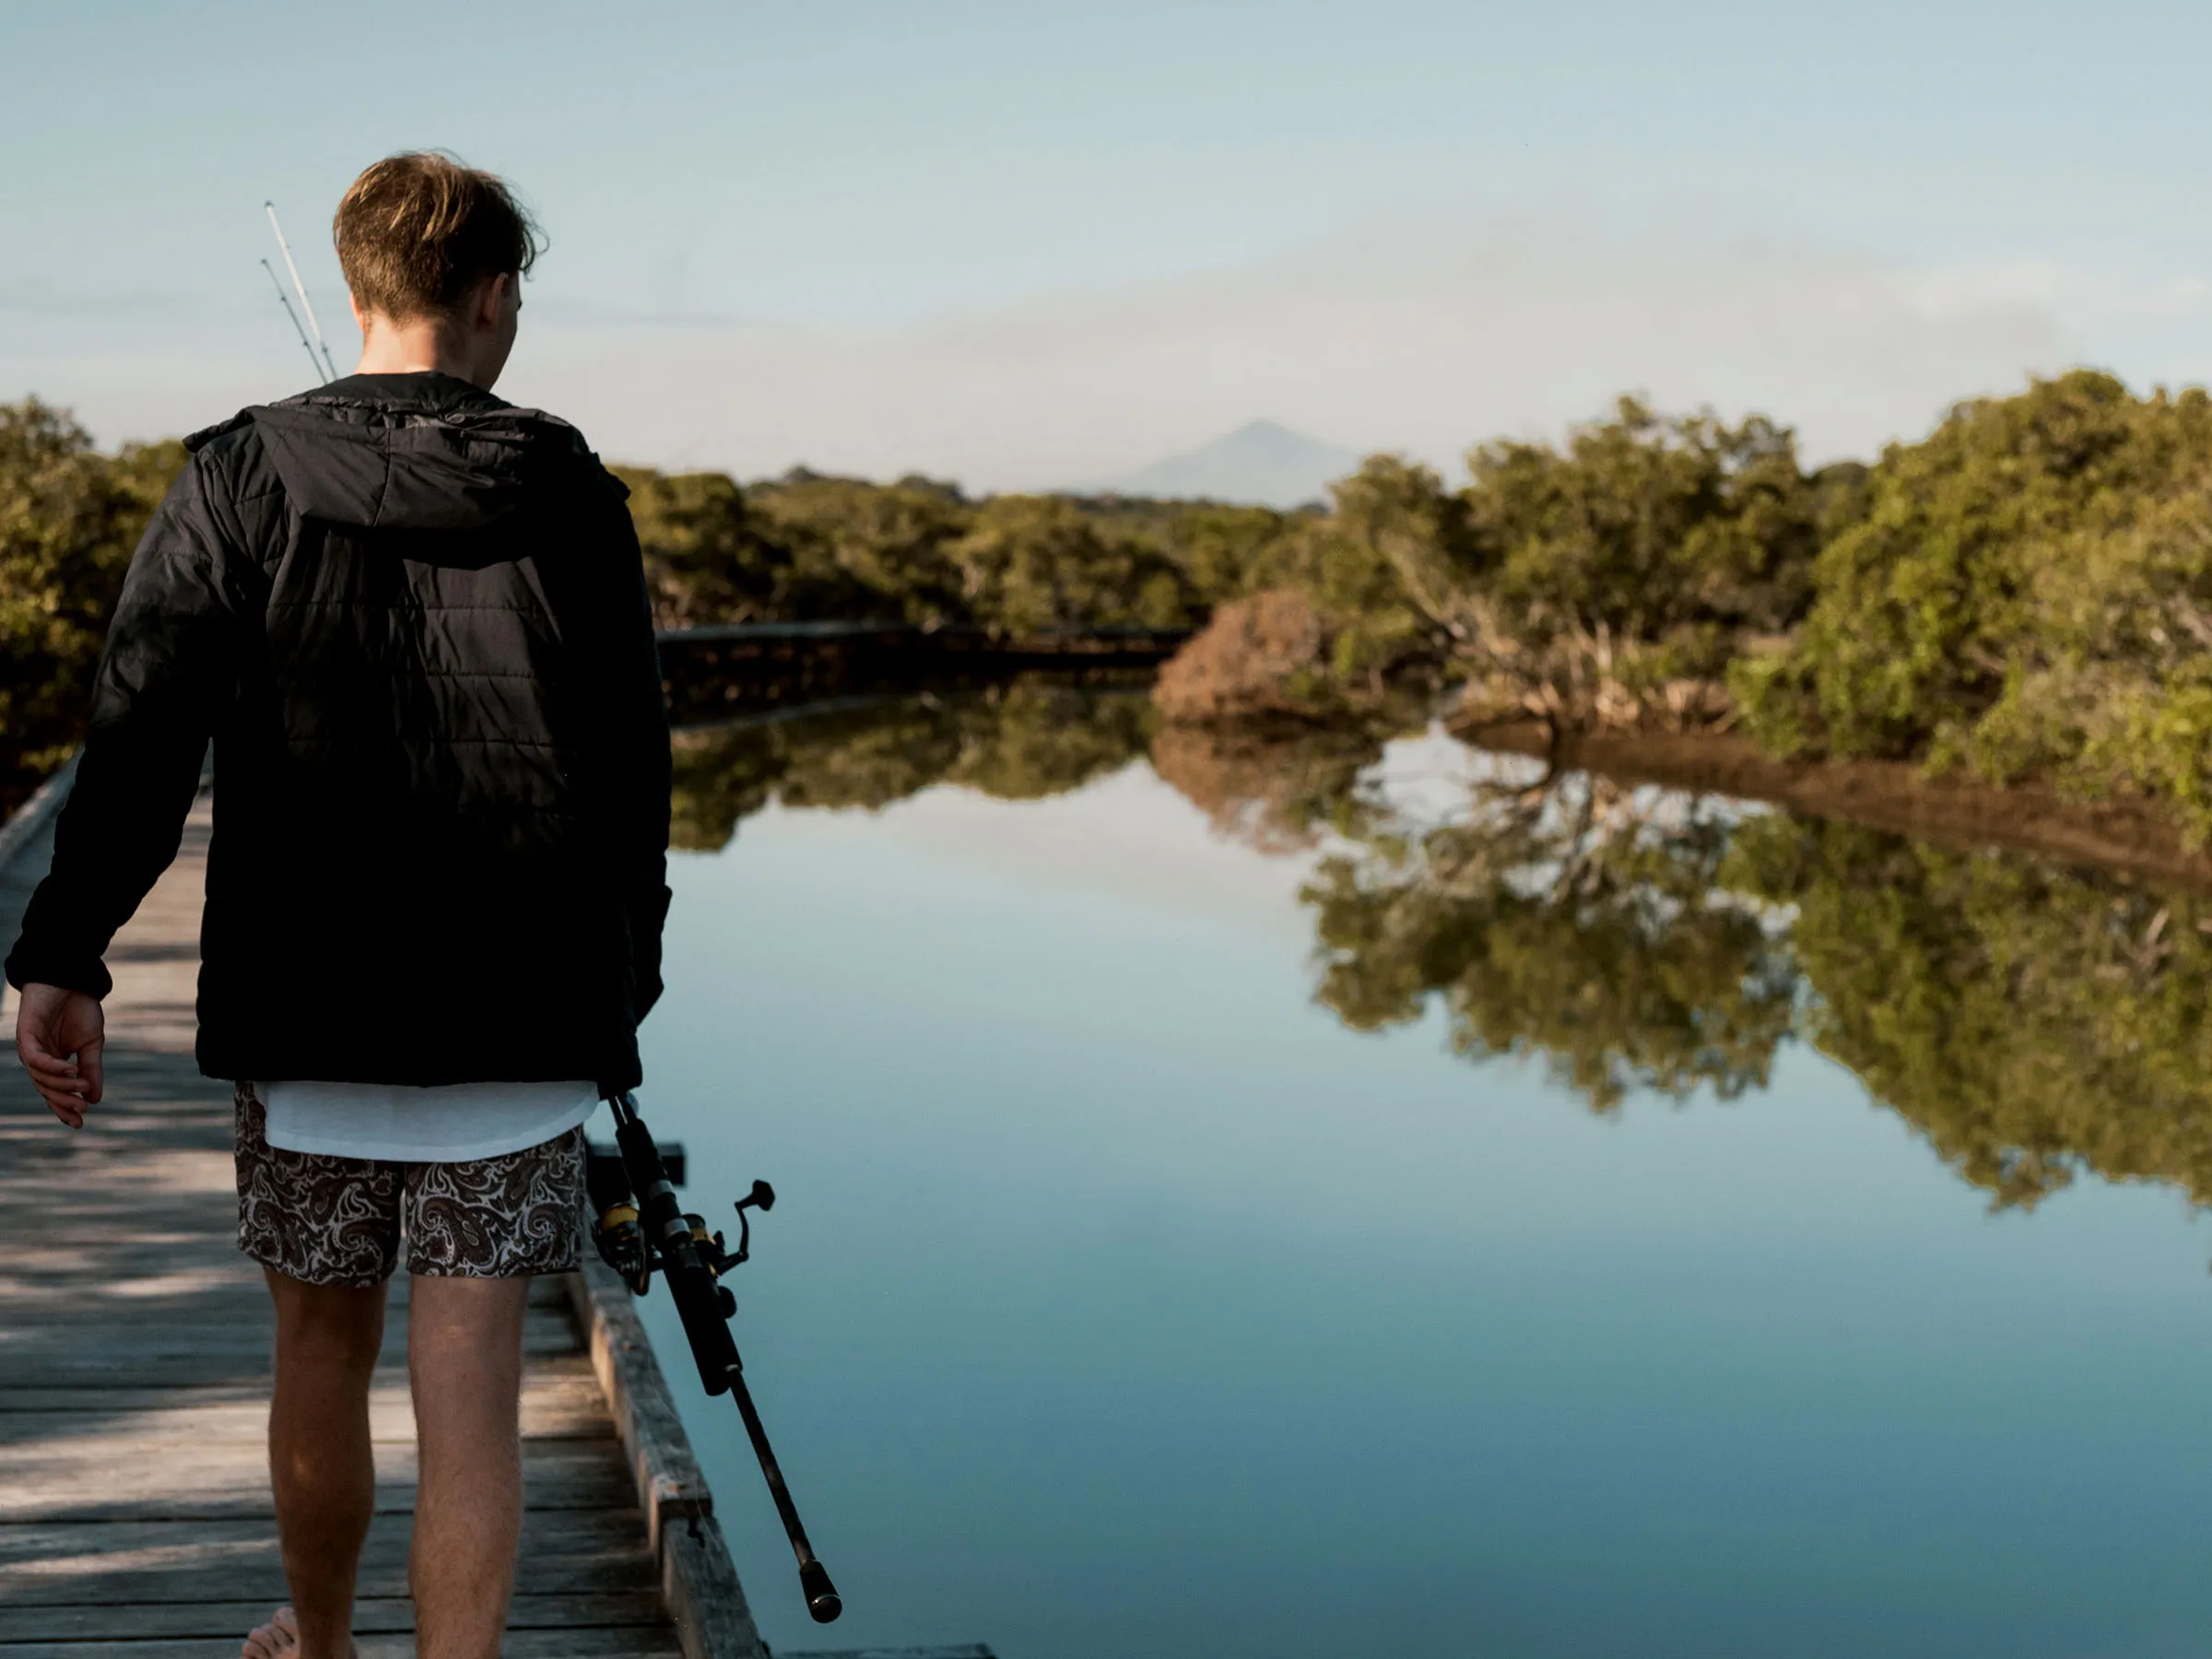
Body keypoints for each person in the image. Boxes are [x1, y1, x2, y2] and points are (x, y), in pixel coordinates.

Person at [5, 152, 672, 1659]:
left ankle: (320, 1644)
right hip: (517, 1015)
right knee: (475, 1396)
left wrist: (65, 952)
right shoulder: (570, 485)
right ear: (496, 295)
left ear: (361, 284)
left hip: (308, 1008)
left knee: (316, 1349)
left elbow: (141, 734)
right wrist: (620, 989)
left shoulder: (236, 473)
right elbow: (637, 770)